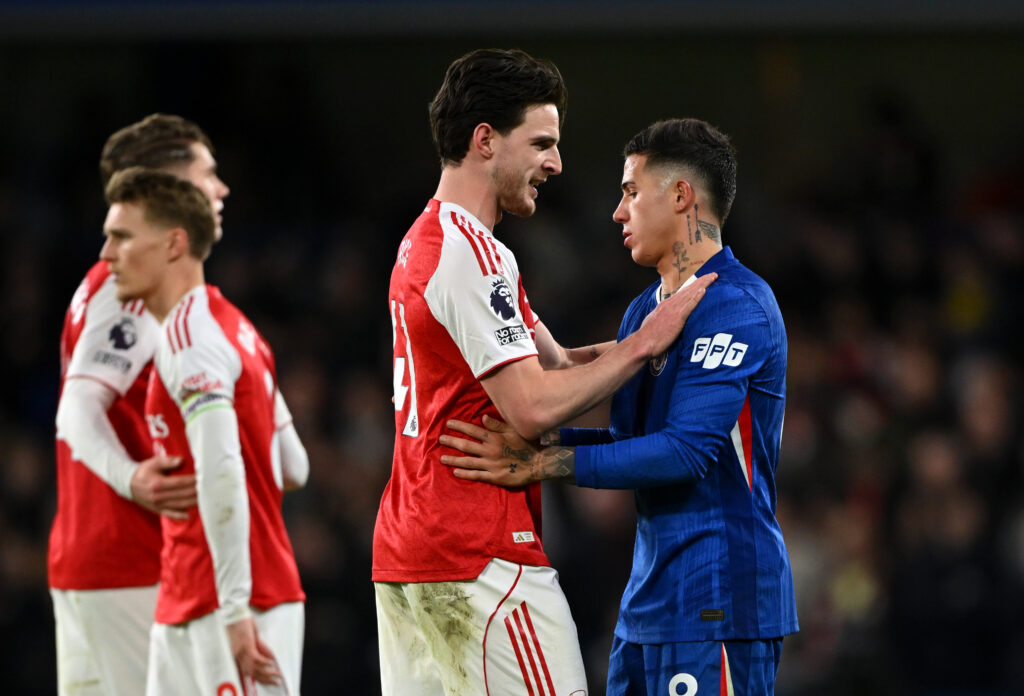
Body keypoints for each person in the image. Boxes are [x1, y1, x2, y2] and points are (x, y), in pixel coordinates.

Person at [372, 50, 715, 696]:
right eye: (540, 144)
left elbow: (556, 364)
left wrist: (654, 343)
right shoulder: (470, 255)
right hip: (477, 555)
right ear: (485, 141)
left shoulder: (432, 240)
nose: (555, 163)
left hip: (412, 552)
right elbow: (532, 405)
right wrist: (644, 344)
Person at [441, 118, 799, 695]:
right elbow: (630, 443)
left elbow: (685, 452)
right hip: (649, 602)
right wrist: (542, 443)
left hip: (719, 597)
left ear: (681, 195)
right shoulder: (643, 315)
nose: (617, 212)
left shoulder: (739, 305)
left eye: (631, 191)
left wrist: (547, 464)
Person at [100, 167, 306, 695]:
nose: (107, 255)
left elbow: (222, 469)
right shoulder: (236, 327)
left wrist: (234, 610)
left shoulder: (190, 340)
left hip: (231, 609)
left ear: (174, 244)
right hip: (195, 600)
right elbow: (293, 467)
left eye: (122, 237)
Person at [47, 113, 230, 696]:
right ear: (165, 186)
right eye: (206, 173)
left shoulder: (112, 281)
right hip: (130, 560)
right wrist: (133, 479)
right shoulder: (126, 287)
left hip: (103, 563)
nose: (220, 189)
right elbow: (77, 407)